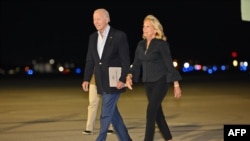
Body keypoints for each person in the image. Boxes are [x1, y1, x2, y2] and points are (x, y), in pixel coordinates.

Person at [126, 14, 182, 141]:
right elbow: (135, 64)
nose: (144, 29)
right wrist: (129, 76)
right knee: (157, 113)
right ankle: (169, 138)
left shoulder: (161, 44)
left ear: (155, 29)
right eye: (143, 26)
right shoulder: (140, 45)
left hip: (161, 81)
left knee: (151, 111)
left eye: (148, 26)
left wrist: (176, 85)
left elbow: (169, 65)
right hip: (148, 83)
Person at [82, 8, 132, 141]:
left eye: (98, 18)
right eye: (94, 19)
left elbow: (125, 60)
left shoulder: (119, 35)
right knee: (112, 114)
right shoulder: (93, 37)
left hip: (115, 81)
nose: (95, 22)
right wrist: (86, 78)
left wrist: (123, 78)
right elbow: (90, 60)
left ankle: (101, 138)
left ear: (107, 19)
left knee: (105, 113)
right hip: (100, 81)